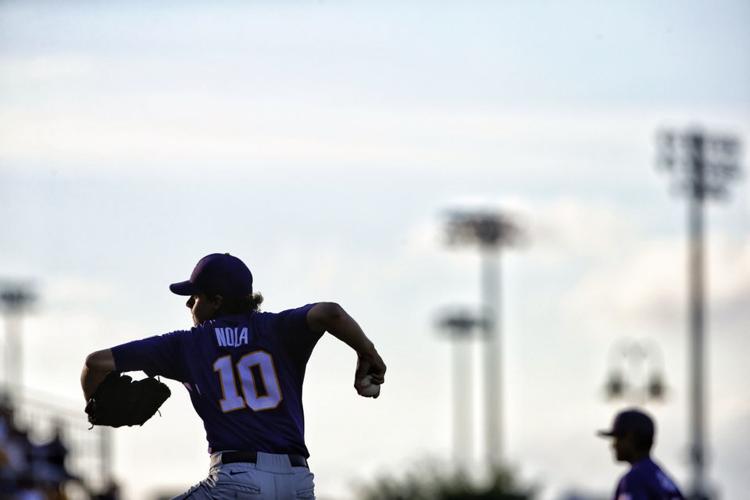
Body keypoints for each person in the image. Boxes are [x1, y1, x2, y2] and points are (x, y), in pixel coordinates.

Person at [81, 253, 387, 499]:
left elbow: (95, 363)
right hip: (298, 483)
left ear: (216, 300)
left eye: (195, 296)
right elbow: (330, 312)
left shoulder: (186, 345)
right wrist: (367, 353)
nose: (189, 303)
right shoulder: (279, 329)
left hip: (237, 480)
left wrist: (96, 408)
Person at [598, 408, 684, 500]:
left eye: (617, 438)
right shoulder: (660, 477)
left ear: (630, 437)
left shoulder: (634, 479)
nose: (613, 445)